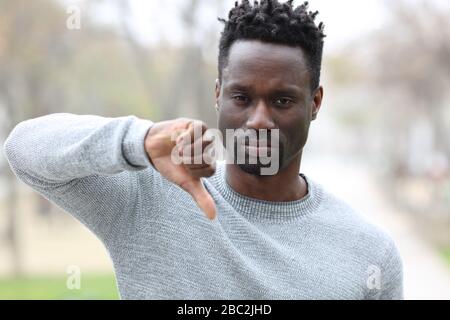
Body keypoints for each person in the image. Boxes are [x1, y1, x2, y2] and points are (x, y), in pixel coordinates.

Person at [3, 0, 403, 299]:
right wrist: (138, 141)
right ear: (218, 96)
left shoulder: (369, 253)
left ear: (315, 103)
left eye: (282, 100)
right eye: (242, 97)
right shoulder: (150, 199)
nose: (259, 120)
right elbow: (24, 149)